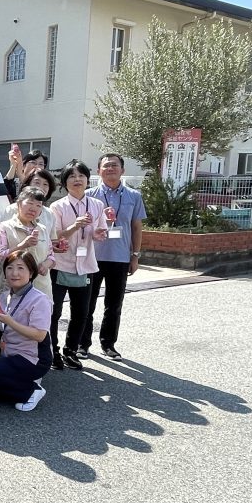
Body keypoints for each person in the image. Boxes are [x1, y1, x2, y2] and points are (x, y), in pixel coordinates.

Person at [78, 154, 147, 361]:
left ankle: (108, 344)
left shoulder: (133, 196)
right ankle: (82, 344)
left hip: (119, 257)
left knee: (114, 304)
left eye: (114, 165)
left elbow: (136, 226)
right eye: (106, 166)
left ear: (122, 170)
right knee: (86, 303)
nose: (110, 169)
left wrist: (135, 255)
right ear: (98, 171)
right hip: (93, 256)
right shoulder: (88, 195)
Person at [48, 160, 108, 371]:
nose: (77, 180)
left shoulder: (97, 205)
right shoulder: (57, 206)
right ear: (65, 182)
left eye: (81, 176)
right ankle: (53, 351)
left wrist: (100, 234)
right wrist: (75, 226)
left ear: (87, 180)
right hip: (60, 265)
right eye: (72, 176)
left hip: (86, 265)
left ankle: (71, 351)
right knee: (54, 312)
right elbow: (53, 236)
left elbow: (100, 232)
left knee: (82, 312)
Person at [0, 250, 52, 411]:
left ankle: (32, 391)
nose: (14, 273)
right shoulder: (4, 296)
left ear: (31, 273)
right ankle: (22, 383)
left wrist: (10, 321)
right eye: (9, 268)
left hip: (33, 358)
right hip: (10, 354)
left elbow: (39, 335)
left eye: (21, 268)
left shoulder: (40, 299)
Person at [0, 187, 56, 298]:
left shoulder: (42, 229)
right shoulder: (5, 227)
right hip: (12, 288)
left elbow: (51, 256)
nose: (33, 209)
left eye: (38, 206)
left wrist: (45, 265)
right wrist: (22, 245)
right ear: (18, 204)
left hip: (41, 287)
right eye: (29, 203)